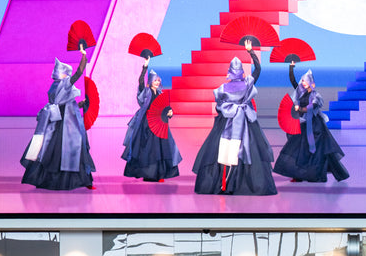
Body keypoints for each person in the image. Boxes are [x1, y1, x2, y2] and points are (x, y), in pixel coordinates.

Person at [192, 52, 277, 195]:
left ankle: (223, 183)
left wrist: (227, 110)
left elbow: (219, 107)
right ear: (242, 71)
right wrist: (251, 51)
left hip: (227, 122)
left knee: (223, 150)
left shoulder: (223, 88)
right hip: (244, 122)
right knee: (246, 149)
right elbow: (258, 69)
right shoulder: (247, 84)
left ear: (229, 72)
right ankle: (241, 183)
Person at [20, 46, 95, 191]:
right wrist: (83, 56)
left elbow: (65, 102)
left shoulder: (54, 85)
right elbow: (79, 72)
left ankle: (47, 178)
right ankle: (69, 180)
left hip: (59, 119)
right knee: (67, 147)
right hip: (65, 122)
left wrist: (79, 104)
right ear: (64, 74)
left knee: (51, 147)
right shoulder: (64, 83)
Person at [273, 62, 349, 183]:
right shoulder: (301, 92)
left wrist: (300, 108)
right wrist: (291, 67)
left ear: (310, 82)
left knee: (317, 152)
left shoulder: (315, 95)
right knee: (297, 148)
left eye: (305, 80)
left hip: (314, 125)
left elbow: (312, 106)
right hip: (303, 124)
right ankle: (298, 174)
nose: (303, 83)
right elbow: (293, 81)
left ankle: (315, 175)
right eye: (302, 80)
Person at [122, 63, 181, 182]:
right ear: (150, 81)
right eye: (155, 80)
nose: (157, 82)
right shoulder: (146, 92)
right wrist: (144, 67)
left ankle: (159, 174)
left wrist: (170, 112)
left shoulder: (160, 94)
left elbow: (165, 108)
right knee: (147, 149)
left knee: (160, 149)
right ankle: (147, 173)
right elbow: (140, 83)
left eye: (158, 80)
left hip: (159, 123)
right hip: (146, 124)